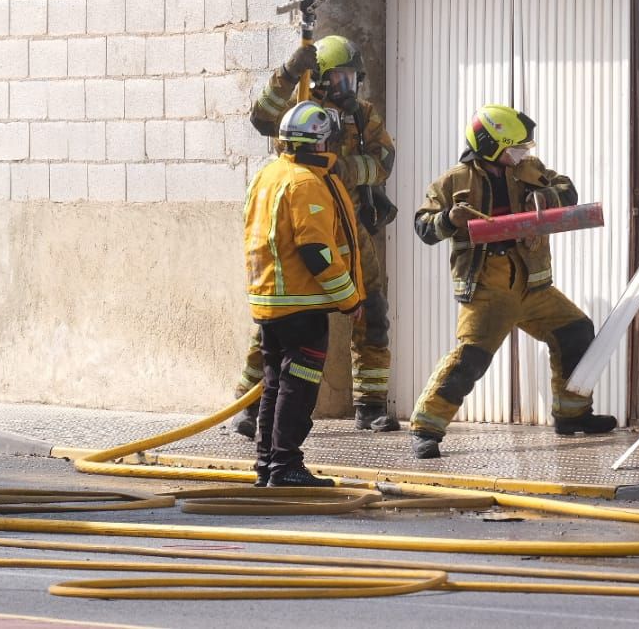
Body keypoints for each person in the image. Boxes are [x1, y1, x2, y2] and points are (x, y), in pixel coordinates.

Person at [408, 104, 616, 459]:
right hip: (489, 287)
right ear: (491, 145)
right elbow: (424, 227)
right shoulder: (454, 181)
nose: (523, 153)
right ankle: (426, 428)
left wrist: (546, 197)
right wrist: (449, 219)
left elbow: (568, 190)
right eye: (515, 147)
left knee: (576, 331)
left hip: (532, 286)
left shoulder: (528, 170)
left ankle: (571, 413)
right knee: (471, 357)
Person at [233, 34, 399, 437]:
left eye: (351, 79)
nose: (348, 88)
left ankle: (371, 405)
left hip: (351, 220)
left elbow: (384, 161)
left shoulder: (362, 115)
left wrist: (346, 169)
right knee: (278, 322)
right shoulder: (300, 109)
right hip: (302, 218)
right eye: (339, 79)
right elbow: (261, 118)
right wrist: (290, 72)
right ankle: (248, 405)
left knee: (372, 311)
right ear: (321, 79)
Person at [244, 100, 364, 487]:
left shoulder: (269, 175)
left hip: (270, 301)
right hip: (302, 304)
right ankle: (286, 465)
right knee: (298, 386)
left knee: (275, 384)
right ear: (317, 143)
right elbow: (317, 251)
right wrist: (350, 299)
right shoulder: (306, 183)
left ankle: (268, 465)